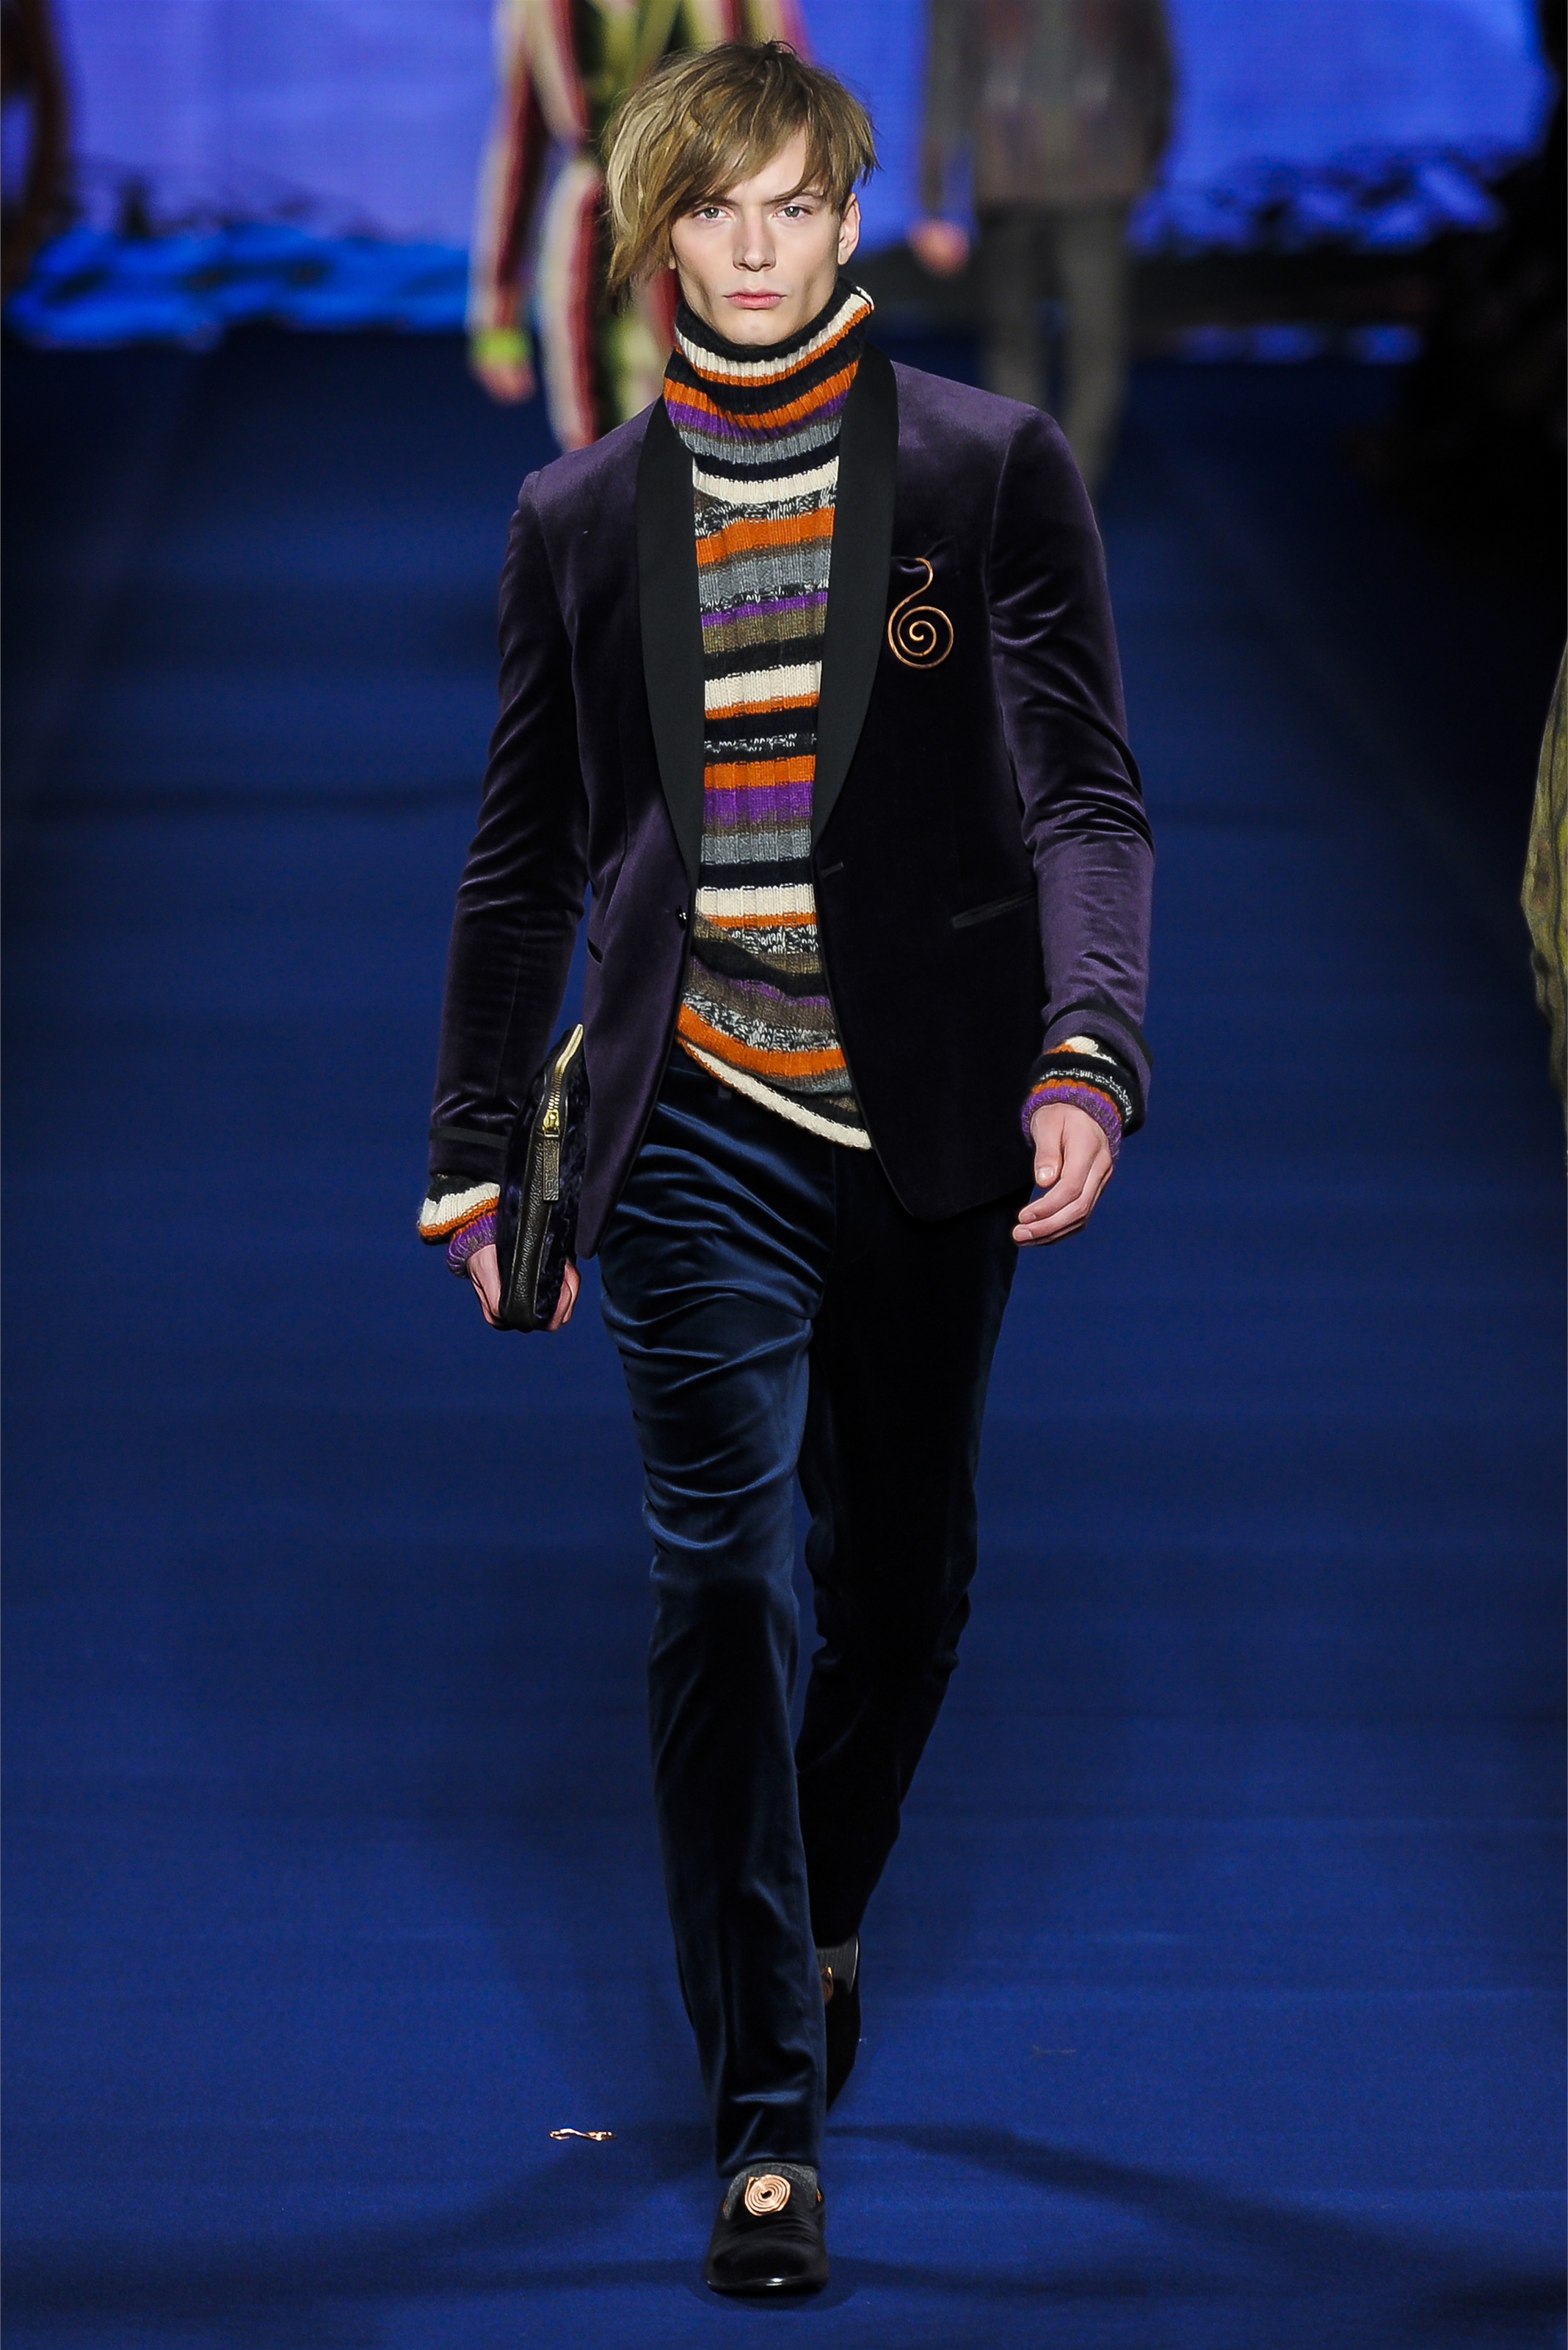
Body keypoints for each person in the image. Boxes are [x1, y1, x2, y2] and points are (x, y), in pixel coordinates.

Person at [420, 40, 1153, 2294]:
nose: (757, 249)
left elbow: (1082, 795)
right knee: (724, 1580)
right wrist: (477, 1147)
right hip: (691, 1117)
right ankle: (766, 2115)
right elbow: (524, 860)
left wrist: (1089, 1046)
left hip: (932, 1108)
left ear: (846, 219)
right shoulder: (578, 519)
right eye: (715, 212)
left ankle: (812, 1904)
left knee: (904, 1589)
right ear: (660, 242)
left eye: (794, 207)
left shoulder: (986, 470)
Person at [467, 0, 806, 449]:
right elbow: (522, 139)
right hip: (589, 244)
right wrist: (500, 304)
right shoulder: (544, 8)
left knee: (729, 443)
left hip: (714, 228)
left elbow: (792, 115)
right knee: (598, 445)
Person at [911, 0, 1173, 495]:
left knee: (1036, 345)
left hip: (1025, 172)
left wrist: (935, 199)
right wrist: (1147, 157)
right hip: (1083, 169)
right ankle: (1056, 498)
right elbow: (1154, 64)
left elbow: (946, 72)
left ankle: (1045, 498)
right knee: (1081, 345)